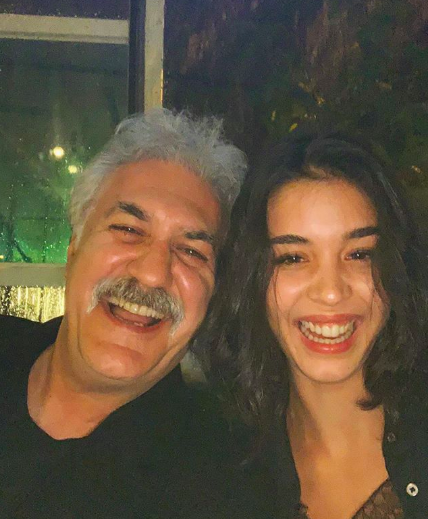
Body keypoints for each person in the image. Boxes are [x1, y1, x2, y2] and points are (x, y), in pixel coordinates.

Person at [0, 108, 272, 518]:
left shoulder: (229, 487)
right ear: (74, 250)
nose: (152, 273)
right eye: (128, 230)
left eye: (192, 251)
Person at [200, 133, 428, 519]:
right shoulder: (212, 472)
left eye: (359, 254)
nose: (331, 292)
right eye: (293, 258)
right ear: (249, 279)